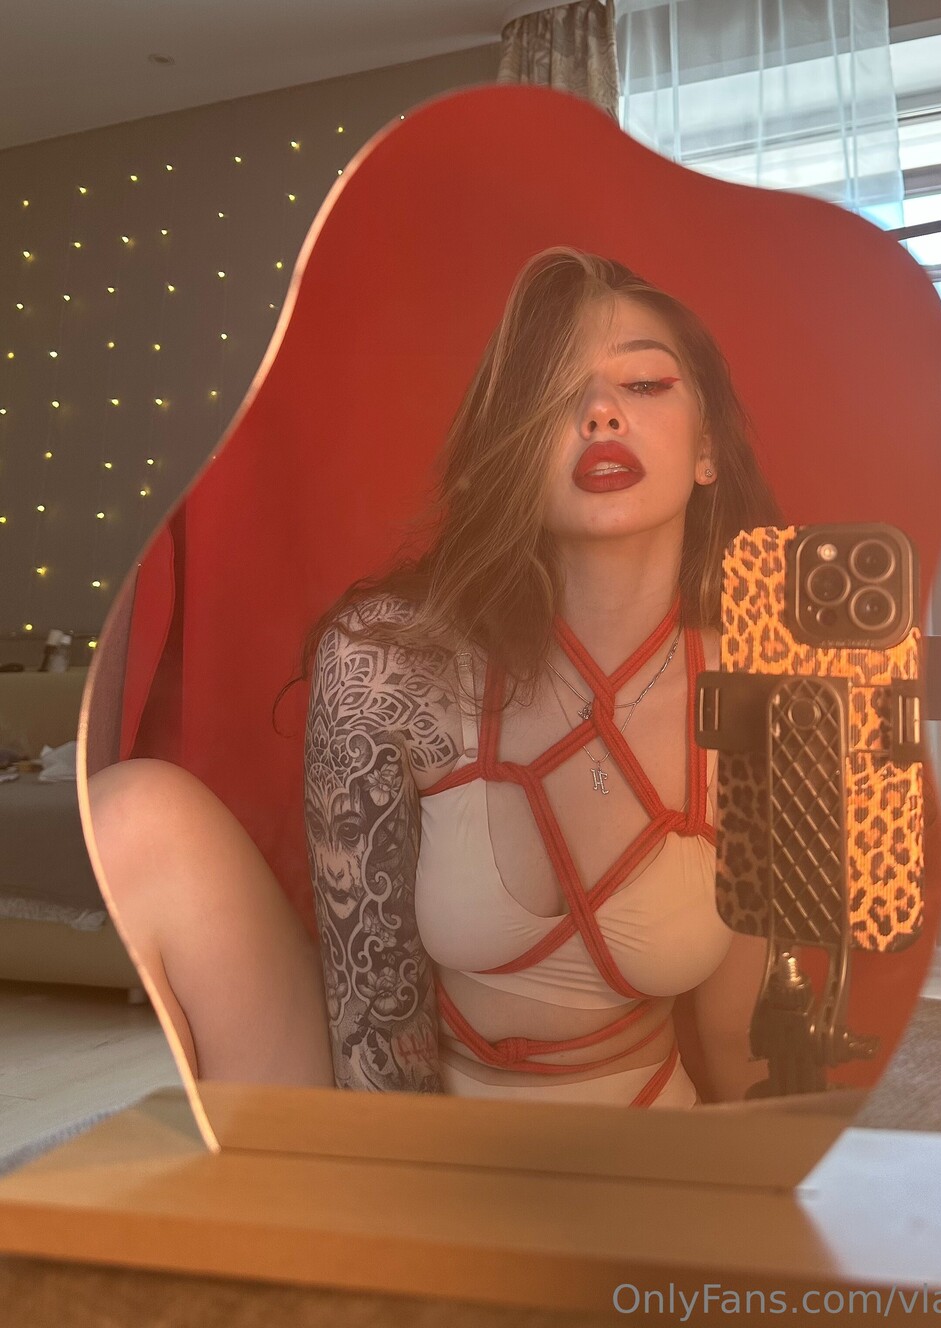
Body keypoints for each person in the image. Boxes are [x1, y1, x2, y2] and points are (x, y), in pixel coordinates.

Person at [301, 247, 782, 1107]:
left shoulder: (758, 687)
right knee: (144, 816)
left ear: (707, 448)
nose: (601, 413)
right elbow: (373, 1033)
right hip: (438, 1147)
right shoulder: (390, 665)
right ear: (512, 454)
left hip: (656, 1143)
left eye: (643, 384)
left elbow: (737, 1044)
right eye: (557, 396)